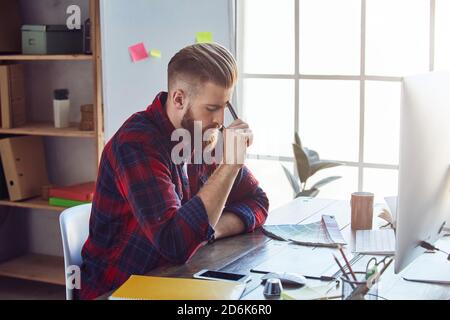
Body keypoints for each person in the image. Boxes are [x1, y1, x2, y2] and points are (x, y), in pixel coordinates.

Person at [79, 43, 269, 299]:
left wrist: (210, 231)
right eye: (212, 108)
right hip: (119, 288)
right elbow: (175, 244)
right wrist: (230, 164)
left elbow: (258, 201)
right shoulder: (136, 144)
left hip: (178, 279)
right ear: (179, 99)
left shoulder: (201, 136)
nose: (220, 121)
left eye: (226, 106)